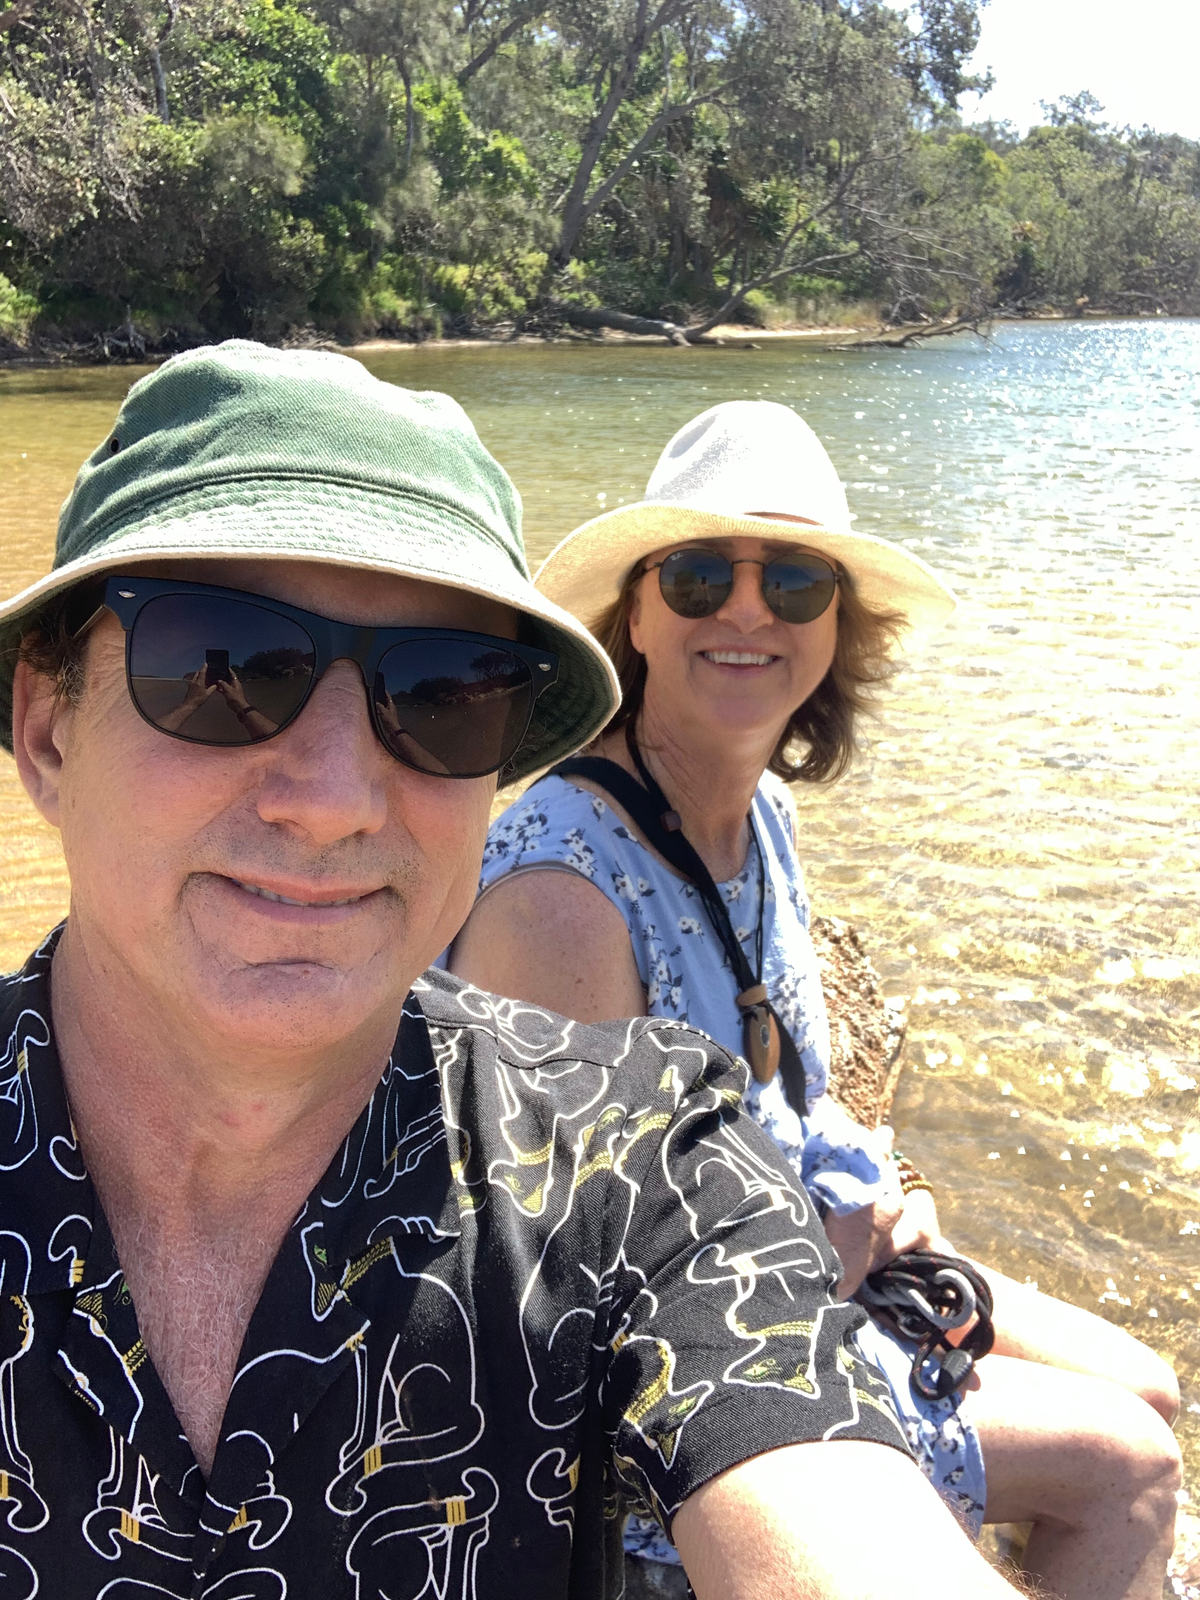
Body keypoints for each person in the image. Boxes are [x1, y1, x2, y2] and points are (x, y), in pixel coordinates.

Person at [0, 343, 1025, 1600]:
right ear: (48, 731)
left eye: (444, 692)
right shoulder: (565, 887)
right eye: (224, 665)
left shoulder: (637, 1163)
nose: (334, 796)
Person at [449, 400, 1184, 1600]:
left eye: (793, 583)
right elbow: (563, 1309)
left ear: (836, 628)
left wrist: (899, 1195)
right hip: (694, 1415)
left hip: (825, 1269)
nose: (747, 611)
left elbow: (795, 1094)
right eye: (700, 576)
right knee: (1130, 1466)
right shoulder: (560, 901)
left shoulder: (765, 821)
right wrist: (821, 1253)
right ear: (637, 616)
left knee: (1150, 1382)